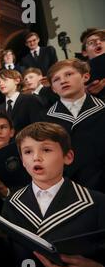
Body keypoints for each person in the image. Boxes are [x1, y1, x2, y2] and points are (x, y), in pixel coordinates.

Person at [3, 122, 105, 267]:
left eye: (46, 150)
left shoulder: (97, 203)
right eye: (28, 152)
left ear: (68, 157)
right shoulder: (12, 203)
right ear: (22, 161)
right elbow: (9, 263)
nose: (36, 157)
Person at [44, 59, 105, 193]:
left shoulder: (102, 109)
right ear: (53, 89)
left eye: (69, 74)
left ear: (85, 76)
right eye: (56, 79)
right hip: (66, 188)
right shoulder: (46, 119)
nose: (63, 81)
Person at [0, 69, 43, 133]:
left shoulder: (31, 100)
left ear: (17, 81)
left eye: (5, 80)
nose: (1, 84)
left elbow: (38, 127)